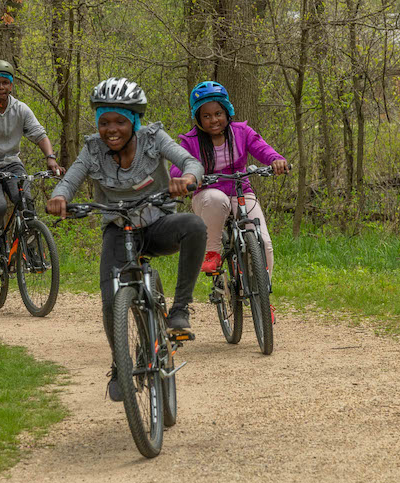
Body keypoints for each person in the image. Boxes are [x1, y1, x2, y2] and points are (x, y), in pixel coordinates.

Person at [46, 77, 206, 401]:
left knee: (194, 226)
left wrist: (187, 177)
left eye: (120, 121)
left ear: (134, 120)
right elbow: (71, 179)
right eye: (104, 122)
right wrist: (59, 197)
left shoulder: (152, 138)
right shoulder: (92, 149)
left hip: (157, 224)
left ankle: (179, 310)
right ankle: (121, 364)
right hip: (118, 230)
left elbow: (190, 162)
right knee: (110, 300)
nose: (111, 129)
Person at [170, 81, 289, 275]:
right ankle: (212, 253)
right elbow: (177, 167)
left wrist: (276, 160)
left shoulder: (242, 132)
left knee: (264, 242)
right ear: (198, 118)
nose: (214, 120)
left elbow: (263, 149)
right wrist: (187, 178)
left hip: (241, 191)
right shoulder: (190, 141)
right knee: (217, 199)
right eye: (206, 116)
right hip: (208, 197)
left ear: (227, 112)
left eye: (218, 113)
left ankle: (263, 297)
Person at [0, 59, 64, 280]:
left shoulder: (20, 109)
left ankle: (31, 251)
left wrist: (50, 158)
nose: (1, 87)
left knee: (26, 204)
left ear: (11, 85)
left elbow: (39, 133)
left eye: (5, 83)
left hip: (11, 163)